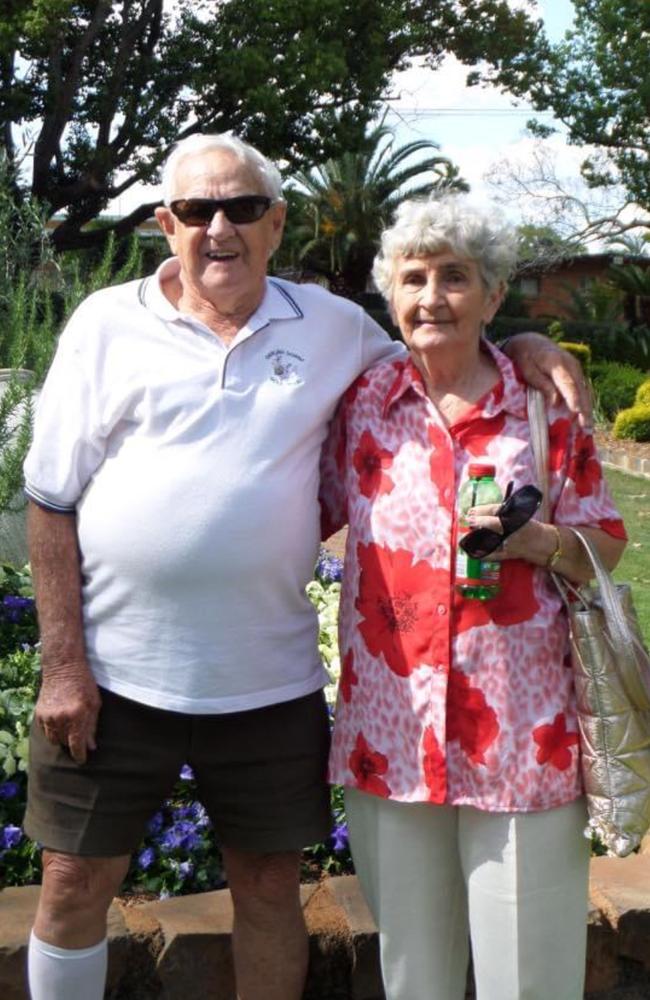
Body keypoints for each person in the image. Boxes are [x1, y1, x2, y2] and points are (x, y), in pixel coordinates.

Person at [22, 133, 589, 1000]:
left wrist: (524, 344)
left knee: (267, 890)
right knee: (71, 883)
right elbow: (51, 500)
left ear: (277, 223)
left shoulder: (330, 329)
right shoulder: (106, 323)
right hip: (114, 671)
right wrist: (62, 664)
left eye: (244, 208)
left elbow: (438, 342)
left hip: (268, 681)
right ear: (166, 223)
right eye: (199, 211)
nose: (221, 228)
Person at [319, 195, 627, 1000]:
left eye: (455, 277)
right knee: (412, 974)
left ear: (493, 296)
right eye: (413, 278)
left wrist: (543, 543)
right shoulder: (361, 407)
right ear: (389, 295)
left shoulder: (542, 407)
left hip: (524, 739)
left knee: (529, 979)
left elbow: (609, 542)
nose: (431, 298)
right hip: (392, 735)